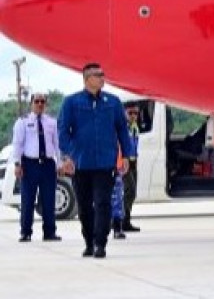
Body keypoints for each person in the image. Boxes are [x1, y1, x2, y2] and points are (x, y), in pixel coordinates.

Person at [57, 63, 135, 259]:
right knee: (84, 206)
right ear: (87, 78)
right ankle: (89, 242)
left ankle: (100, 243)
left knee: (102, 203)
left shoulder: (113, 102)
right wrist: (66, 156)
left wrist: (126, 155)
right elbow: (63, 132)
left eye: (103, 74)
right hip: (80, 164)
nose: (102, 78)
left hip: (105, 163)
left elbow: (122, 131)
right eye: (98, 75)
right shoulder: (71, 103)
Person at [13, 92, 61, 242]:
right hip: (30, 164)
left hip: (47, 164)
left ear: (46, 104)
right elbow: (18, 144)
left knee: (49, 199)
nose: (40, 104)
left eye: (42, 102)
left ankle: (49, 232)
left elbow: (57, 145)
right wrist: (17, 164)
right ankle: (26, 232)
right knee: (28, 200)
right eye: (37, 101)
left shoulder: (52, 123)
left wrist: (59, 164)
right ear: (31, 103)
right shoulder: (23, 122)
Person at [121, 102, 141, 233]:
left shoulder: (134, 127)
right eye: (130, 113)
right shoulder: (122, 127)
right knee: (130, 191)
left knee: (132, 193)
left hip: (133, 161)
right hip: (124, 162)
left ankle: (125, 220)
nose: (133, 115)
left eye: (136, 113)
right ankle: (121, 220)